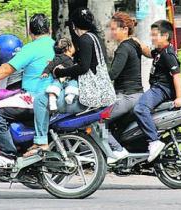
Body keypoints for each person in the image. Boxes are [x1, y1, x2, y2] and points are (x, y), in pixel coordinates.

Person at [0, 13, 55, 169]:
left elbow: (6, 69)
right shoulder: (55, 45)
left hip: (33, 97)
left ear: (30, 31)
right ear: (49, 29)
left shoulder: (32, 48)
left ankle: (6, 155)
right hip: (53, 97)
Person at [29, 7, 115, 157]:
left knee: (41, 101)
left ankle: (41, 141)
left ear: (74, 26)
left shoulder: (84, 39)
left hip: (87, 96)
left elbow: (83, 67)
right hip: (101, 94)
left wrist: (60, 72)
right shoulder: (96, 38)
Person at [133, 20, 181, 162]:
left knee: (140, 109)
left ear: (165, 35)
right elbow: (149, 53)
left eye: (155, 35)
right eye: (151, 35)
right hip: (157, 87)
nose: (152, 38)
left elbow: (177, 76)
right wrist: (136, 42)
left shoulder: (168, 54)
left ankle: (154, 140)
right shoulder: (160, 51)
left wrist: (179, 97)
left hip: (162, 89)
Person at [105, 12, 144, 164]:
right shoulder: (134, 44)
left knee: (96, 121)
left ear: (125, 29)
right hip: (136, 94)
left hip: (126, 96)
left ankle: (117, 150)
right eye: (112, 29)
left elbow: (113, 73)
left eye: (115, 29)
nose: (112, 32)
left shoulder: (123, 48)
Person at [42, 37, 77, 111]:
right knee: (56, 86)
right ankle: (54, 101)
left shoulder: (70, 58)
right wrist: (46, 72)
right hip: (62, 79)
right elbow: (51, 65)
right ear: (68, 48)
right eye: (73, 45)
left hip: (65, 80)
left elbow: (50, 65)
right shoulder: (59, 58)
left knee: (71, 84)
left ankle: (68, 97)